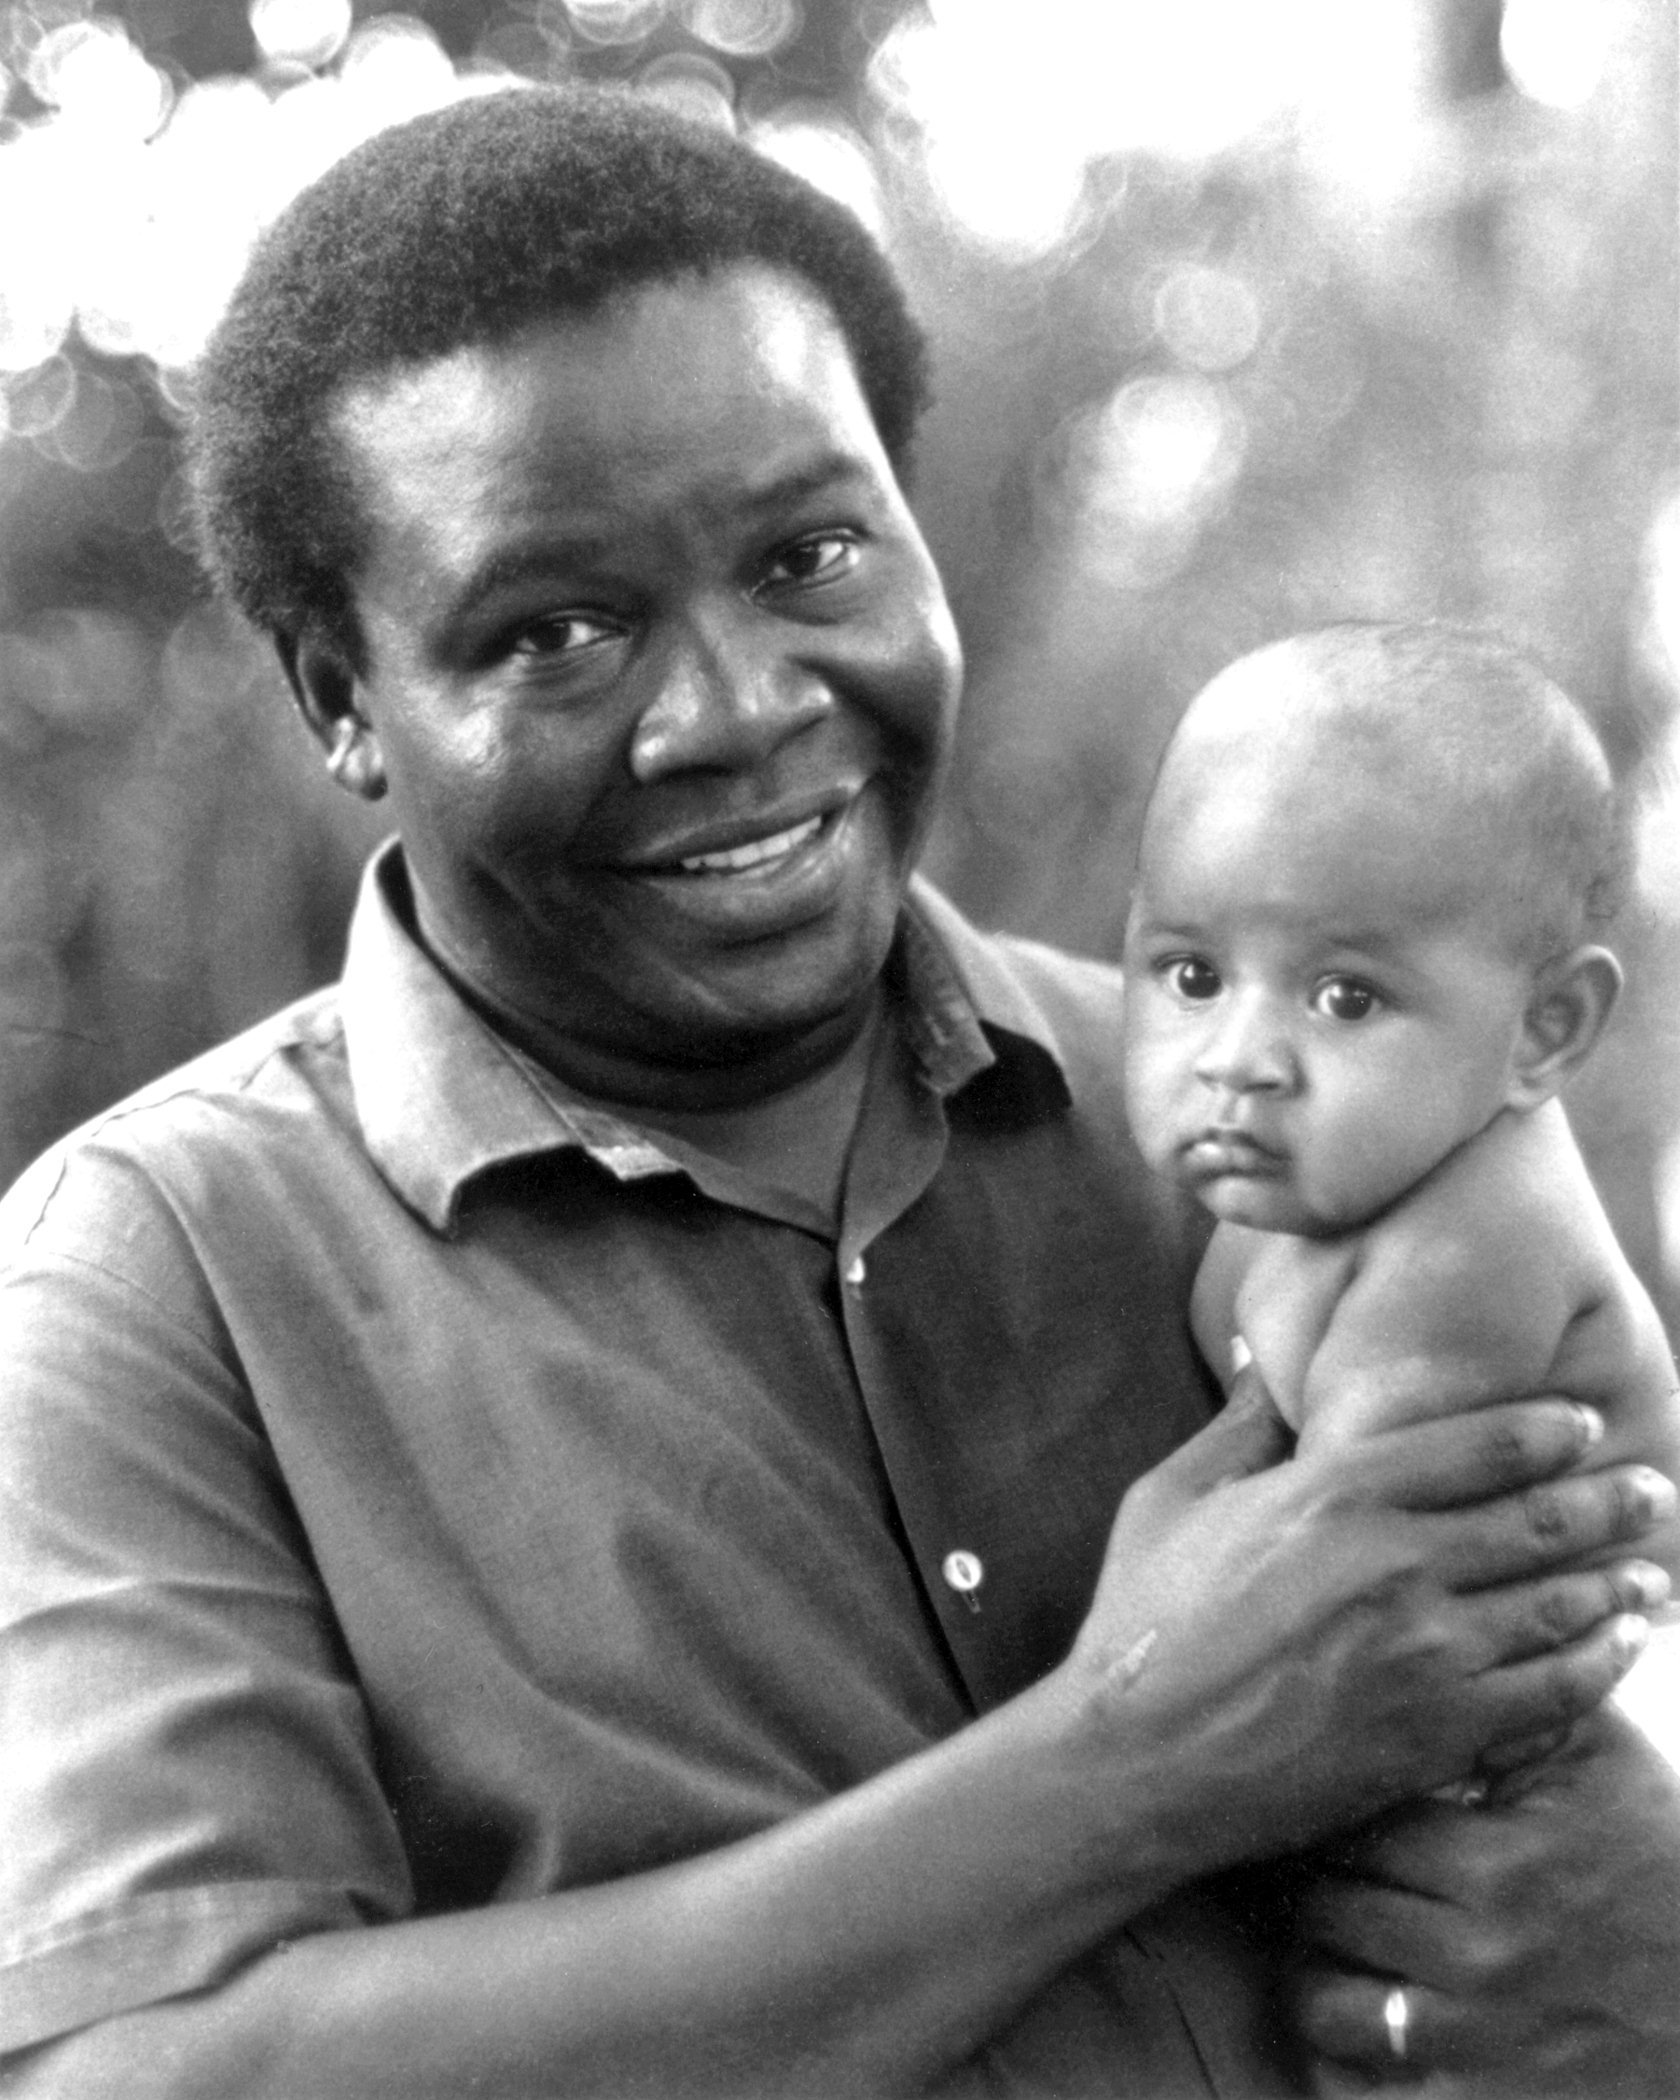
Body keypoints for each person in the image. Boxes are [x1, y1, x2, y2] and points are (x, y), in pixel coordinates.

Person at [0, 86, 1676, 2099]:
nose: (739, 709)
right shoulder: (155, 1285)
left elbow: (1562, 1729)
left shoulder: (1276, 1136)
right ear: (345, 699)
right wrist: (1131, 1761)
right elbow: (155, 2078)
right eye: (560, 630)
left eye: (808, 555)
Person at [1122, 622, 1680, 1564]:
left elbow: (1323, 1580)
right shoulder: (1313, 1170)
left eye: (1346, 998)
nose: (1239, 1059)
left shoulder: (1471, 1255)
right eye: (1193, 976)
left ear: (1545, 1029)